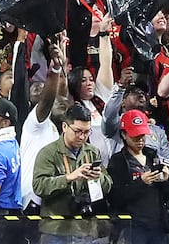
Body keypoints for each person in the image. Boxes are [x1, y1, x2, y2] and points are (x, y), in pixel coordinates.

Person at [31, 103, 112, 244]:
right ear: (64, 127)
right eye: (77, 131)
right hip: (55, 230)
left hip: (85, 229)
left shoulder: (92, 152)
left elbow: (108, 185)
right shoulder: (48, 153)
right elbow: (39, 186)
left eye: (87, 132)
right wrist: (69, 178)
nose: (82, 137)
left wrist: (99, 178)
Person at [107, 109, 169, 244]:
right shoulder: (118, 161)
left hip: (157, 226)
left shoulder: (152, 155)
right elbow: (115, 198)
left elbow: (165, 195)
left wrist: (165, 180)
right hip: (132, 228)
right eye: (135, 136)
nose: (140, 140)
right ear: (124, 135)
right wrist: (141, 182)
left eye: (142, 135)